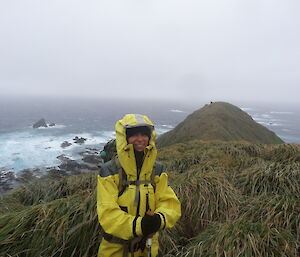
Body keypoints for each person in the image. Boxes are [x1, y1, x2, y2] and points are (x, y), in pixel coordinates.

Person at [97, 114, 181, 257]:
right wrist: (139, 225)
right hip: (116, 249)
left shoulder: (157, 170)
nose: (140, 139)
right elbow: (107, 214)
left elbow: (170, 204)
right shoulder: (109, 171)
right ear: (124, 138)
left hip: (147, 248)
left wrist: (159, 219)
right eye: (134, 134)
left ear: (150, 137)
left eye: (144, 134)